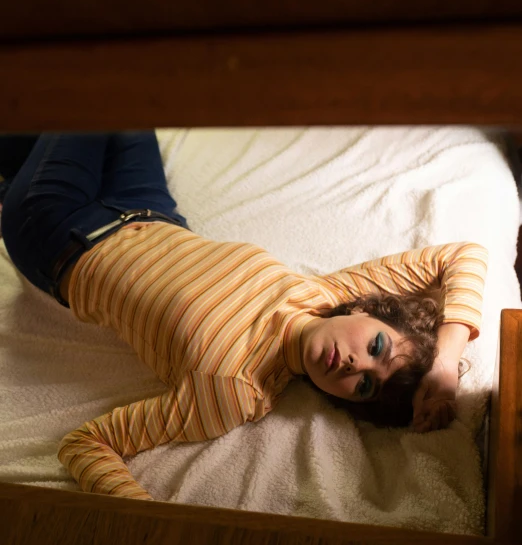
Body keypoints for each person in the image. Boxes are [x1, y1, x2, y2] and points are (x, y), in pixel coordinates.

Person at [1, 132, 488, 501]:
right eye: (377, 347)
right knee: (127, 96)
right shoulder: (325, 294)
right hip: (147, 207)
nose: (355, 365)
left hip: (56, 232)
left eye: (365, 386)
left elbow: (87, 444)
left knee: (87, 96)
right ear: (366, 310)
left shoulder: (232, 390)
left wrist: (149, 527)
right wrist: (446, 362)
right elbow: (463, 257)